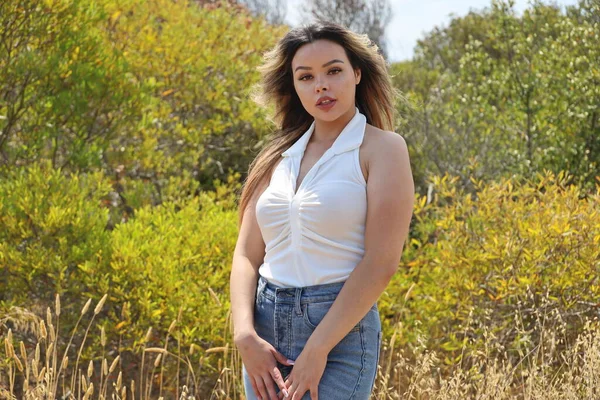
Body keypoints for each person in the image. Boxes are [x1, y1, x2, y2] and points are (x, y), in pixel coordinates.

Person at [230, 20, 415, 400]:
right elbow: (247, 254)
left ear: (357, 73)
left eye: (333, 71)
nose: (321, 86)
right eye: (306, 77)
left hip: (340, 332)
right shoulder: (276, 156)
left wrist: (318, 348)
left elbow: (382, 262)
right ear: (293, 86)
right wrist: (244, 334)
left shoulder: (383, 149)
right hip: (265, 334)